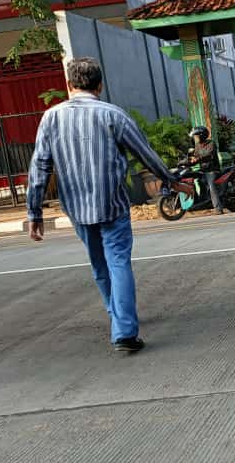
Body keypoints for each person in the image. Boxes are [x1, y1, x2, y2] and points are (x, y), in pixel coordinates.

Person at [26, 57, 193, 354]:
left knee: (99, 264)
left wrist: (34, 212)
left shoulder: (51, 118)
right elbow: (146, 154)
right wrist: (171, 181)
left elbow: (39, 167)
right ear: (100, 85)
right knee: (118, 262)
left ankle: (117, 316)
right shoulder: (113, 115)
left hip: (77, 208)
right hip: (112, 204)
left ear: (69, 85)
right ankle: (124, 330)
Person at [188, 125, 224, 214]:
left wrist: (197, 159)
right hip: (203, 170)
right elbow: (195, 157)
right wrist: (187, 161)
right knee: (192, 179)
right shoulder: (197, 146)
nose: (195, 138)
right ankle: (199, 203)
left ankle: (218, 208)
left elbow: (209, 155)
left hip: (212, 170)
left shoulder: (211, 144)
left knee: (211, 186)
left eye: (196, 136)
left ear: (202, 136)